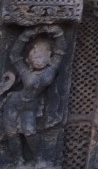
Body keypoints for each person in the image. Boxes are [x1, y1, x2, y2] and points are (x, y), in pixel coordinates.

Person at [0, 26, 66, 167]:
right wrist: (25, 35)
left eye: (42, 54)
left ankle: (40, 159)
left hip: (31, 106)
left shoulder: (51, 70)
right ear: (28, 58)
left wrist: (58, 33)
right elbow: (14, 55)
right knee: (12, 134)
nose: (38, 57)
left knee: (30, 132)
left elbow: (60, 52)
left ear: (49, 56)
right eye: (34, 53)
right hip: (13, 103)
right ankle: (18, 161)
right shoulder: (25, 72)